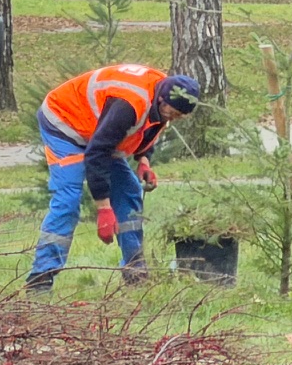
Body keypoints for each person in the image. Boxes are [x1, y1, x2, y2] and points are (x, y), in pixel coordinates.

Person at [28, 63, 202, 292]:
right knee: (68, 200)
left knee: (130, 189)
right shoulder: (129, 104)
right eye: (174, 113)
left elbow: (149, 126)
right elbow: (97, 153)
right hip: (65, 124)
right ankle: (41, 277)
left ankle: (135, 270)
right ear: (161, 99)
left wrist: (144, 159)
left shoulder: (166, 92)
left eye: (180, 116)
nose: (175, 118)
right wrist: (104, 209)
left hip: (99, 130)